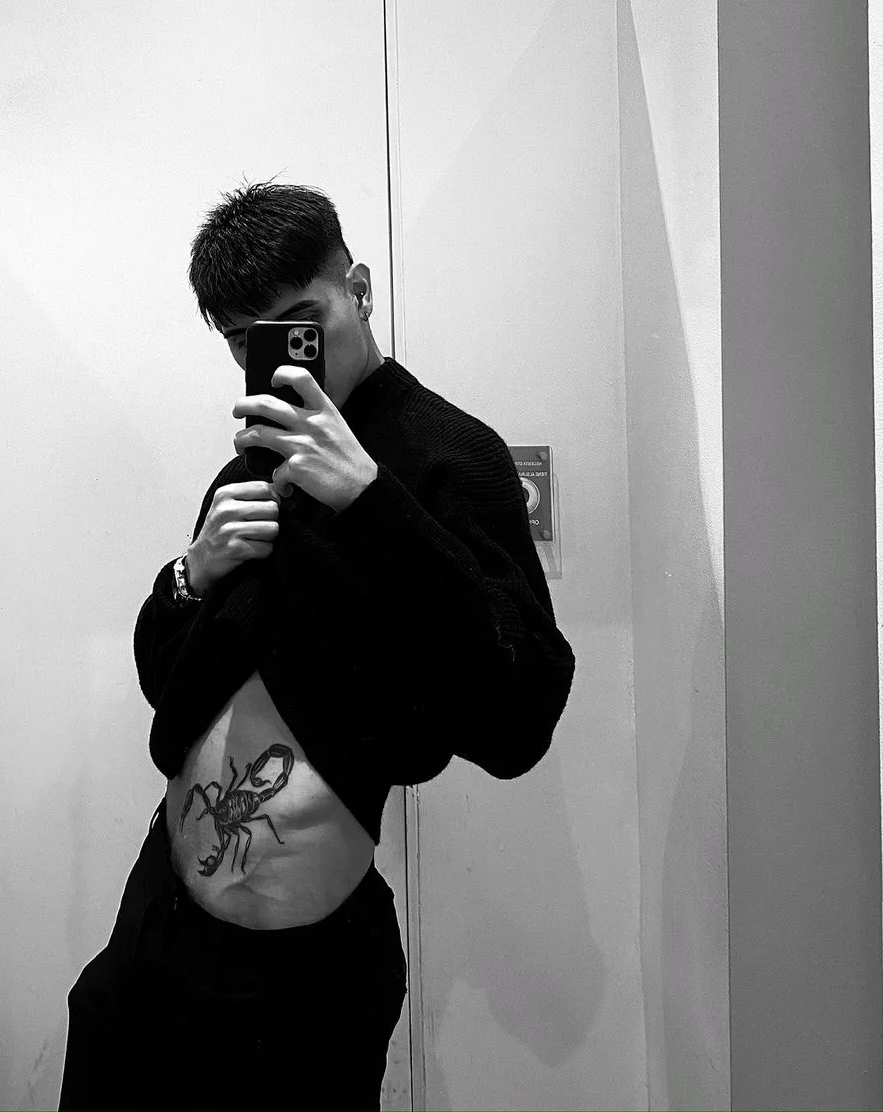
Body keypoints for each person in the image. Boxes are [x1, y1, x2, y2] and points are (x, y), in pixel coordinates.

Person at [59, 181, 575, 1111]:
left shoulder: (450, 457)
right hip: (157, 934)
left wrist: (370, 502)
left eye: (303, 322)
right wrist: (190, 574)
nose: (279, 357)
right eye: (245, 341)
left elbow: (518, 718)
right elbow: (168, 681)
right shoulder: (250, 470)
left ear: (360, 289)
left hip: (307, 980)